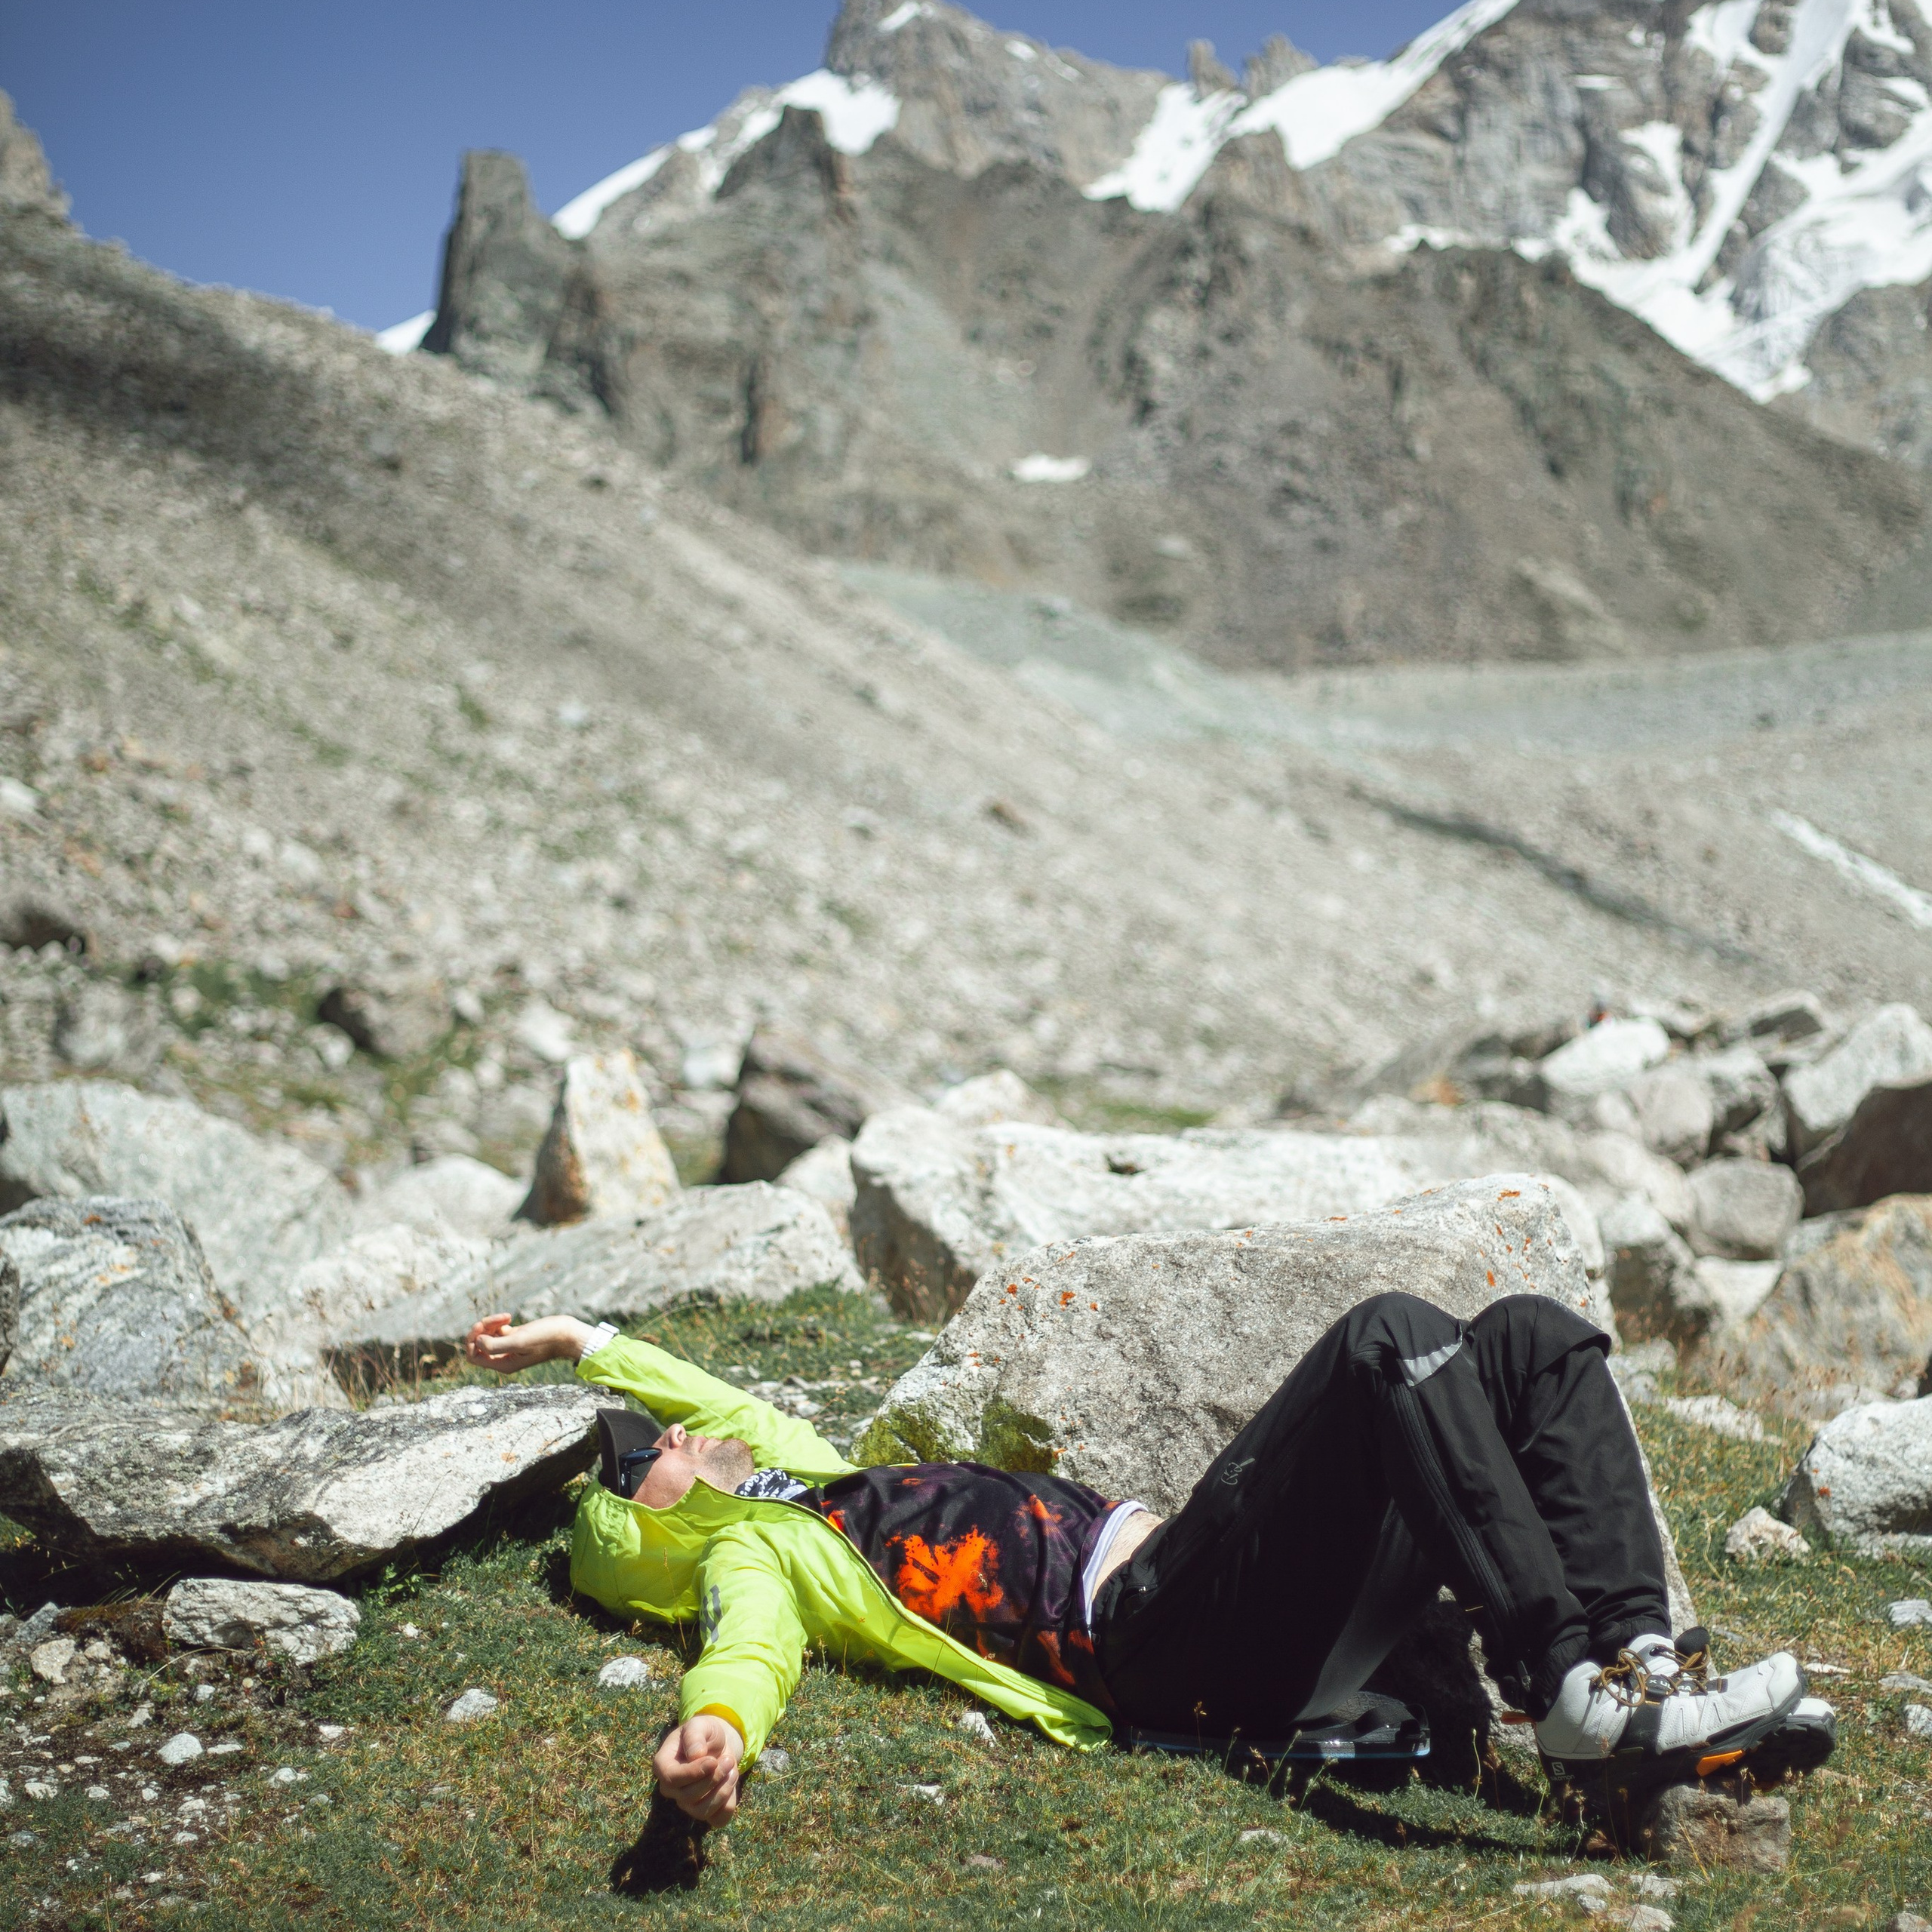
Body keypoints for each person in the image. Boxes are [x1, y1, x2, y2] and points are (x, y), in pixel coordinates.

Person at [464, 1290, 1835, 1831]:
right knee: (1384, 1339)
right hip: (1158, 1644)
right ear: (646, 1520)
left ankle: (1633, 1665)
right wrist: (710, 1734)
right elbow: (744, 1649)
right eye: (649, 1452)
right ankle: (1572, 1702)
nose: (679, 1436)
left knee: (1529, 1335)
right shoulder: (767, 1555)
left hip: (1221, 1592)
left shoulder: (802, 1474)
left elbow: (716, 1397)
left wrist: (585, 1345)